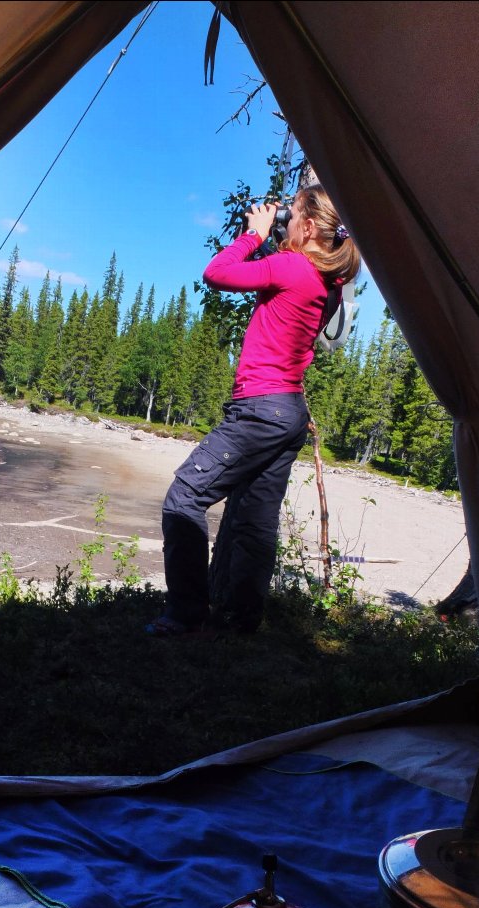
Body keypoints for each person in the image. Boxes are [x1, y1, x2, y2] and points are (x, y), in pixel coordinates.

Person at [147, 183, 361, 637]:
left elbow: (217, 273)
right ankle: (242, 621)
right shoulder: (329, 285)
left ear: (305, 226)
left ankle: (185, 614)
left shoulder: (291, 267)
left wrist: (254, 233)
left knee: (185, 497)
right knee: (254, 521)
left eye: (293, 216)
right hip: (290, 414)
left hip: (260, 408)